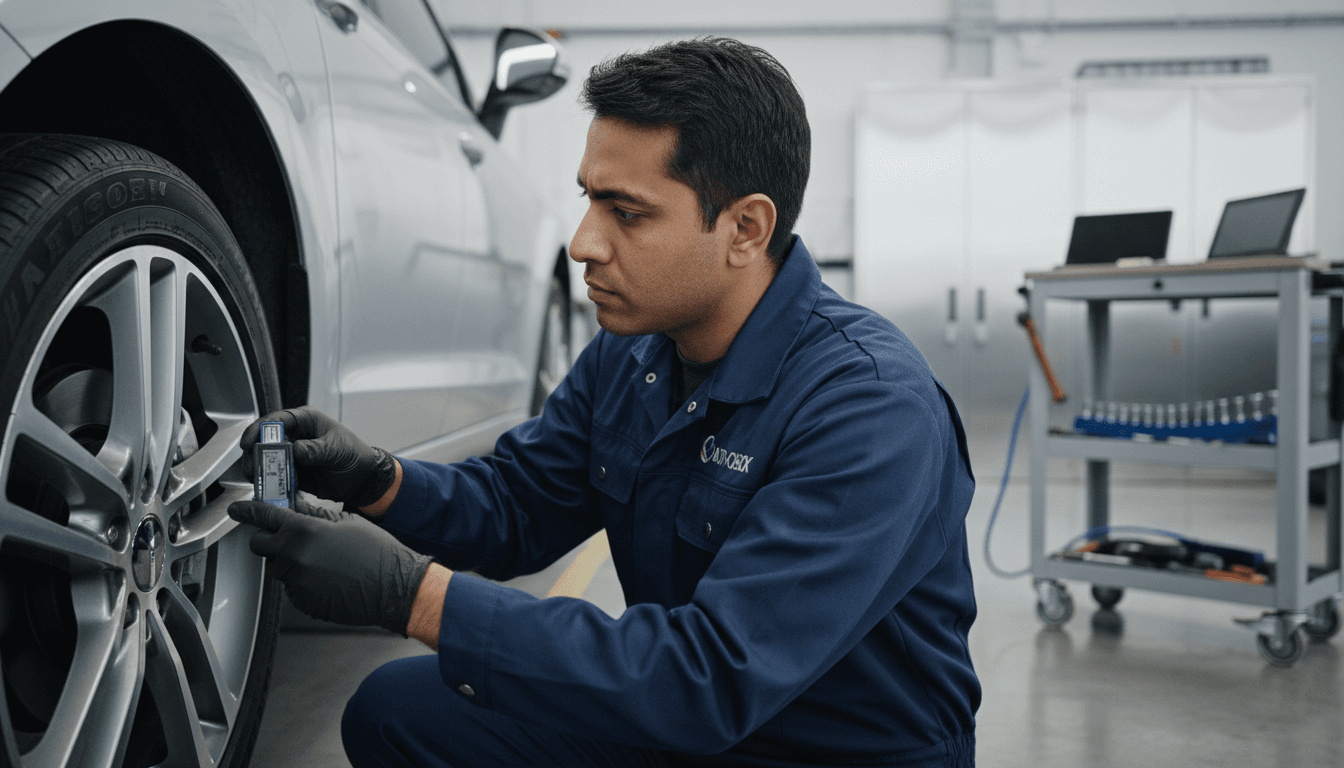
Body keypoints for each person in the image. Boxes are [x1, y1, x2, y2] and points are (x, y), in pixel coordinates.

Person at [229, 37, 979, 767]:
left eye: (627, 212)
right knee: (398, 711)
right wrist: (378, 481)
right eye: (589, 200)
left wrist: (414, 596)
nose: (583, 243)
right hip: (682, 722)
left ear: (745, 229)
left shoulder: (869, 408)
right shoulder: (634, 353)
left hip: (828, 748)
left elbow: (713, 676)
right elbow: (518, 506)